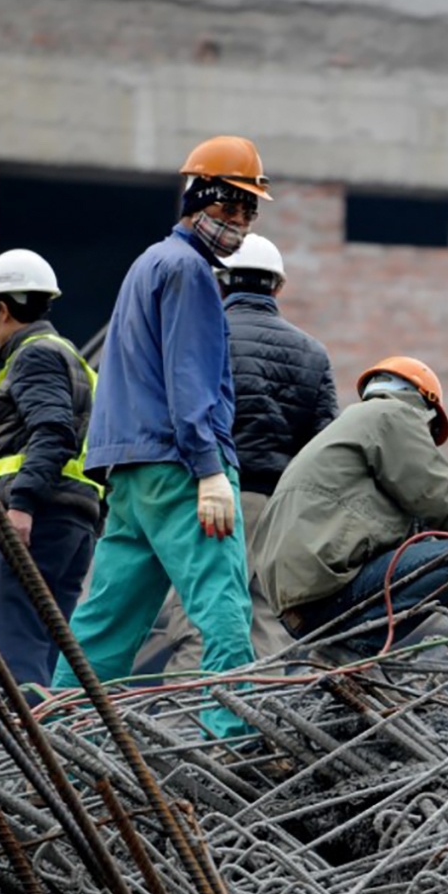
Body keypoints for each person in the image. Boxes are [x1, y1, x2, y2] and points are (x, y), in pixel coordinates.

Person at [55, 136, 269, 731]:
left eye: (249, 212)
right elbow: (189, 379)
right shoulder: (189, 272)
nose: (239, 224)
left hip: (130, 474)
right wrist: (208, 472)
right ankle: (232, 746)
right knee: (224, 610)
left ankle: (57, 744)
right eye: (230, 208)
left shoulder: (148, 264)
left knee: (103, 626)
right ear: (200, 199)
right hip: (180, 468)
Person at [252, 356, 448, 658]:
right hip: (324, 588)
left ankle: (345, 654)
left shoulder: (355, 431)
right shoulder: (393, 414)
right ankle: (351, 652)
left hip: (303, 602)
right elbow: (440, 496)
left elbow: (397, 551)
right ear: (425, 405)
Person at [161, 233, 339, 669]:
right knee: (265, 621)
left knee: (200, 617)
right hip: (277, 512)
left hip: (207, 497)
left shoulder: (202, 340)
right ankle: (259, 729)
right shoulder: (313, 354)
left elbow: (176, 419)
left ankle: (188, 729)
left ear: (220, 282)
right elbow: (325, 449)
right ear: (277, 287)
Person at [0, 249, 103, 685]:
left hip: (37, 519)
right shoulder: (74, 361)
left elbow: (53, 430)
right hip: (74, 523)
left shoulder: (34, 356)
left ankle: (28, 747)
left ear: (1, 309)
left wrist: (22, 503)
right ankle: (52, 743)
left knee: (18, 650)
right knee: (48, 651)